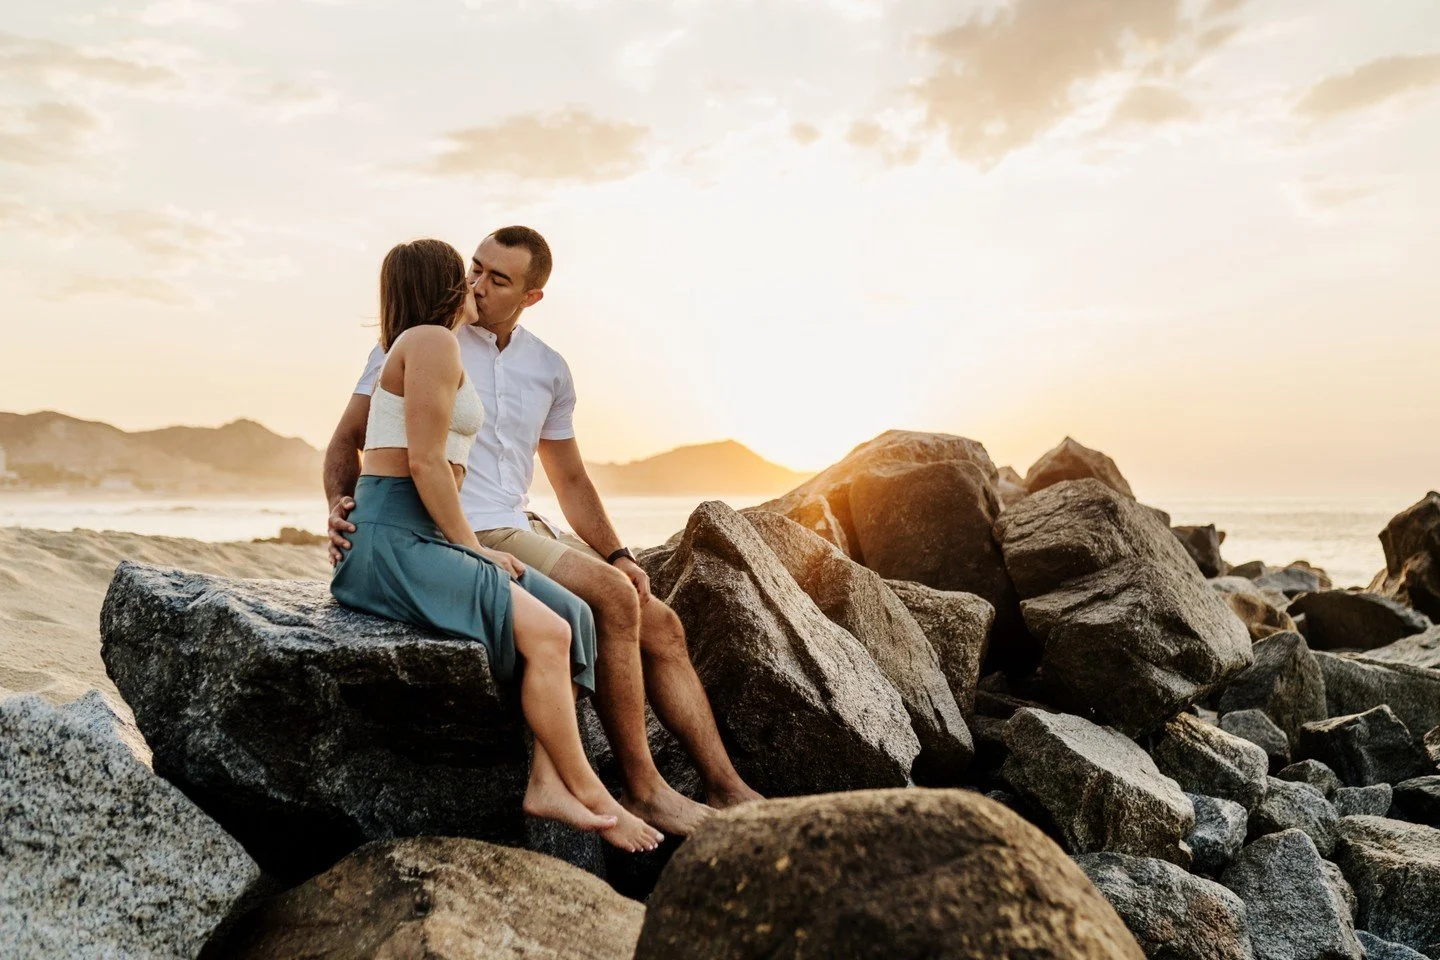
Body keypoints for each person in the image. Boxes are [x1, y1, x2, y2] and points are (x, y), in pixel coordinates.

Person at [326, 226, 761, 838]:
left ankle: (728, 786)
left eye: (496, 279)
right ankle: (644, 790)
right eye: (473, 269)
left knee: (655, 618)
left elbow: (572, 477)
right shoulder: (425, 340)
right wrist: (341, 507)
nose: (477, 283)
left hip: (516, 521)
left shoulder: (547, 367)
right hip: (460, 525)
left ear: (532, 296)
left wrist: (618, 552)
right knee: (606, 601)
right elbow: (357, 439)